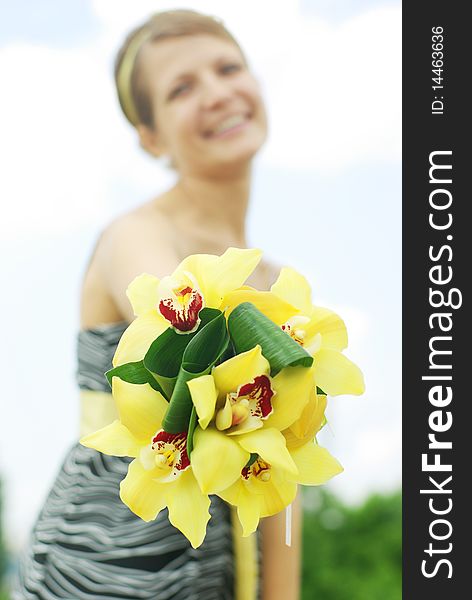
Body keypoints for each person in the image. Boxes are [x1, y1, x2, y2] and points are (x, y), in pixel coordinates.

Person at [12, 10, 301, 600]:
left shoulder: (275, 279)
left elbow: (284, 467)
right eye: (182, 88)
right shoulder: (136, 237)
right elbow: (193, 343)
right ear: (151, 136)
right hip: (105, 556)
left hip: (213, 560)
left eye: (228, 68)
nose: (219, 93)